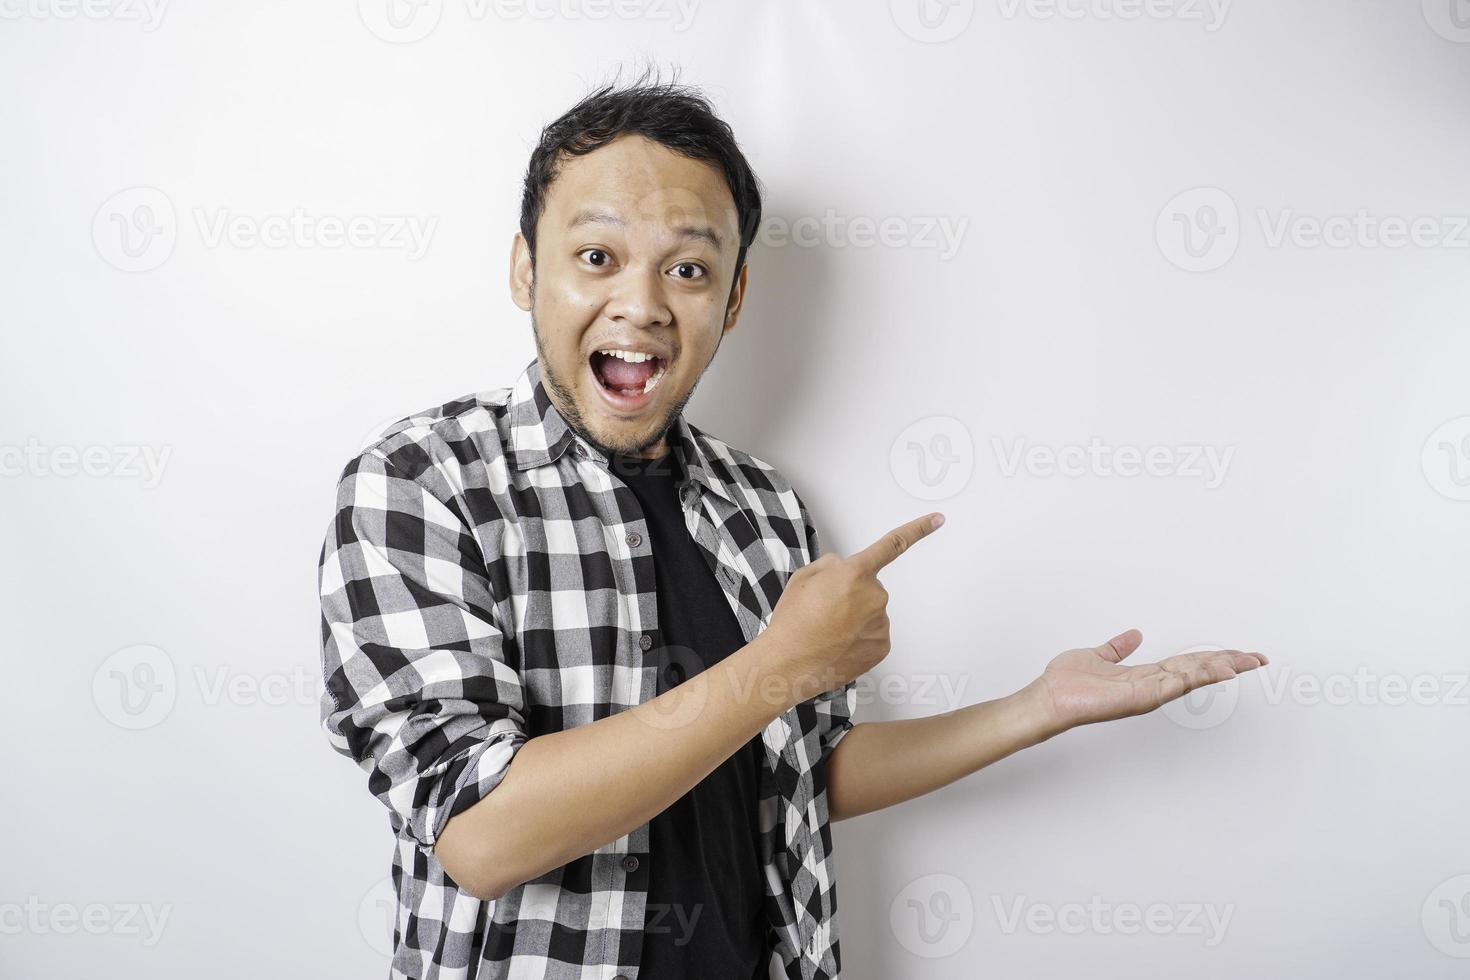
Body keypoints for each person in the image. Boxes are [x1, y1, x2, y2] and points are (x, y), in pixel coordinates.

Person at [316, 65, 1266, 980]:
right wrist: (781, 662)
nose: (641, 305)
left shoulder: (763, 506)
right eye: (596, 256)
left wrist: (1035, 709)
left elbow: (802, 774)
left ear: (732, 302)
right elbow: (481, 837)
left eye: (687, 269)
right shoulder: (419, 482)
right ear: (527, 268)